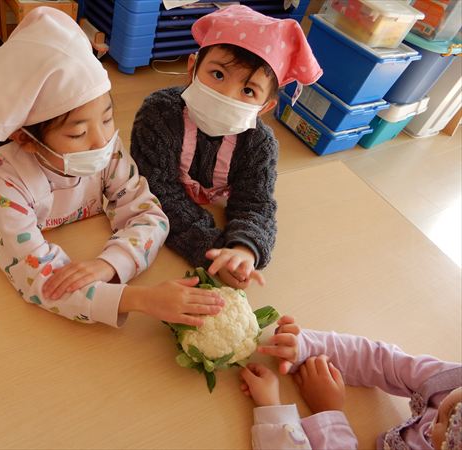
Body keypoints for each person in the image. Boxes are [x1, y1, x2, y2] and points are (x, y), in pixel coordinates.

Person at [0, 7, 224, 328]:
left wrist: (110, 263)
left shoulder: (108, 149)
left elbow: (149, 215)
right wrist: (140, 299)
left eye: (108, 118)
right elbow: (41, 281)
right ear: (26, 139)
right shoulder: (3, 183)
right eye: (78, 133)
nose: (102, 141)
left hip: (80, 248)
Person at [130, 5, 322, 289]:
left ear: (264, 107)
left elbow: (256, 203)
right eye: (218, 74)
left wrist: (243, 250)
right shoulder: (158, 115)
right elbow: (157, 191)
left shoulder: (260, 145)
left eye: (248, 91)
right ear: (193, 68)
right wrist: (213, 248)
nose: (226, 95)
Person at [237, 316, 462, 449]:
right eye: (449, 409)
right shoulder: (452, 381)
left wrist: (324, 411)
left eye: (442, 440)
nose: (431, 428)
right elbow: (381, 361)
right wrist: (305, 347)